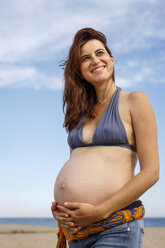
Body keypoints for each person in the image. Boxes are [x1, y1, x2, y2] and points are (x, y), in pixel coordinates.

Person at [51, 27, 159, 248]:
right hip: (78, 232)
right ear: (79, 70)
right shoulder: (78, 114)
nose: (95, 60)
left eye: (100, 53)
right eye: (85, 58)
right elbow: (79, 166)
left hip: (115, 228)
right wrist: (63, 212)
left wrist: (100, 210)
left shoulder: (135, 101)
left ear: (111, 60)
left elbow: (151, 172)